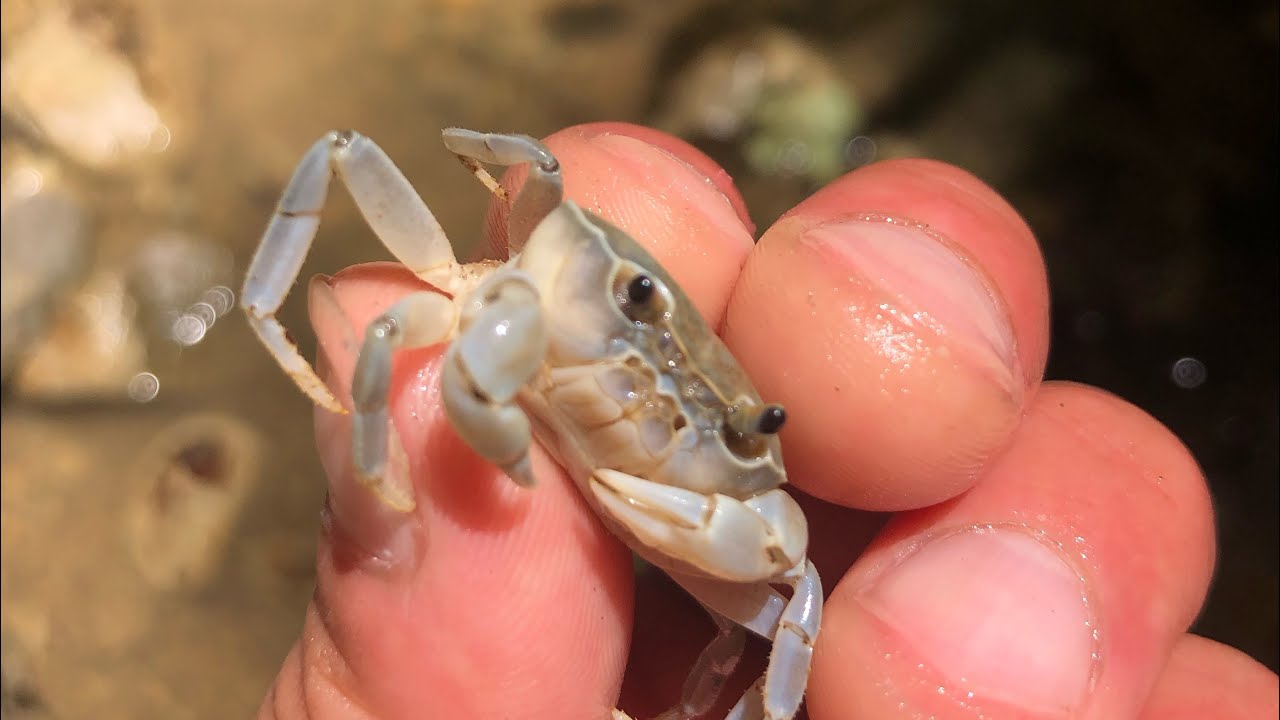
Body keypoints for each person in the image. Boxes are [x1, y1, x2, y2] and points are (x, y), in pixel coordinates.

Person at [260, 124, 1277, 719]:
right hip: (523, 340)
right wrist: (373, 457)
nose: (642, 395)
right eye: (634, 320)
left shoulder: (733, 482)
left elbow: (789, 593)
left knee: (801, 590)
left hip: (683, 493)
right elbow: (476, 232)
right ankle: (265, 313)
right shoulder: (514, 287)